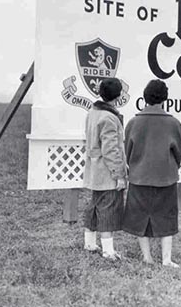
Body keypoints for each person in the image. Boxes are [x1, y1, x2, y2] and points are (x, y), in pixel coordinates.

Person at [123, 79, 181, 267]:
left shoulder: (133, 123)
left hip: (139, 177)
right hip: (166, 177)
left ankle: (147, 257)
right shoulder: (174, 124)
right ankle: (166, 259)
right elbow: (179, 151)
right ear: (165, 98)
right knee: (167, 216)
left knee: (141, 216)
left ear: (145, 97)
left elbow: (127, 151)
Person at [82, 78, 127, 261]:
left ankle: (90, 243)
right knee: (108, 210)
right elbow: (110, 149)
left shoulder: (93, 112)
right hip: (107, 172)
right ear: (118, 96)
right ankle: (108, 251)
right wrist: (119, 174)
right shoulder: (109, 117)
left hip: (94, 170)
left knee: (94, 207)